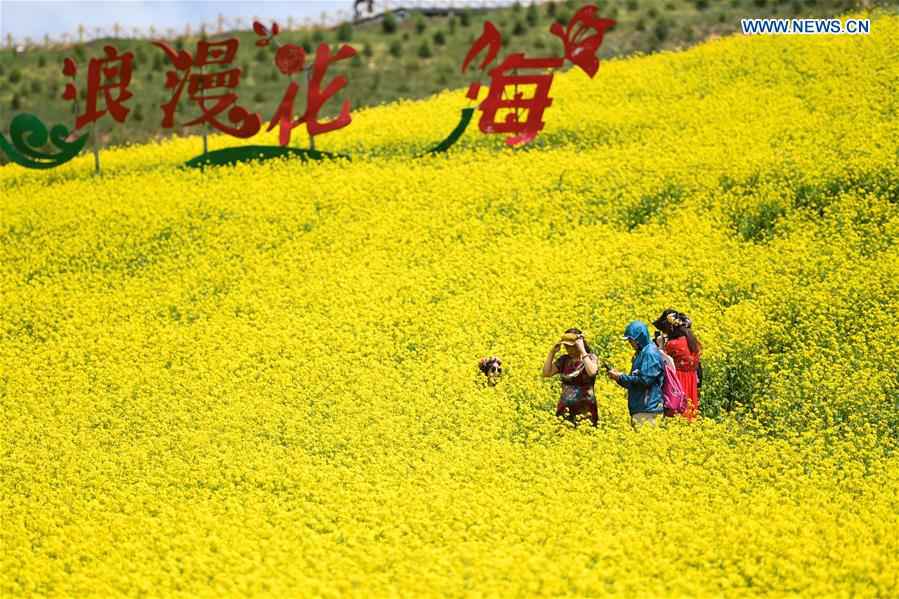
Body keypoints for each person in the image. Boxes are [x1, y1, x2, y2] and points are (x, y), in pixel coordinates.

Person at [607, 320, 664, 428]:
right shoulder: (641, 353)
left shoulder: (649, 353)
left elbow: (644, 381)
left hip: (648, 409)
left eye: (631, 340)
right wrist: (618, 378)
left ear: (639, 339)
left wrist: (621, 377)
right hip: (640, 408)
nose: (630, 343)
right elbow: (633, 382)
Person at [542, 328, 599, 427]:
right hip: (565, 408)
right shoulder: (564, 360)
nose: (568, 349)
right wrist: (552, 352)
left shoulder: (590, 358)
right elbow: (547, 373)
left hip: (585, 410)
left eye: (571, 346)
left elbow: (592, 372)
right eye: (566, 346)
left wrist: (582, 350)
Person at [653, 309, 702, 421]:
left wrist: (660, 346)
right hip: (691, 383)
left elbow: (661, 361)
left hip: (677, 385)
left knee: (676, 416)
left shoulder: (672, 345)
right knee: (689, 417)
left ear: (670, 328)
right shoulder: (694, 342)